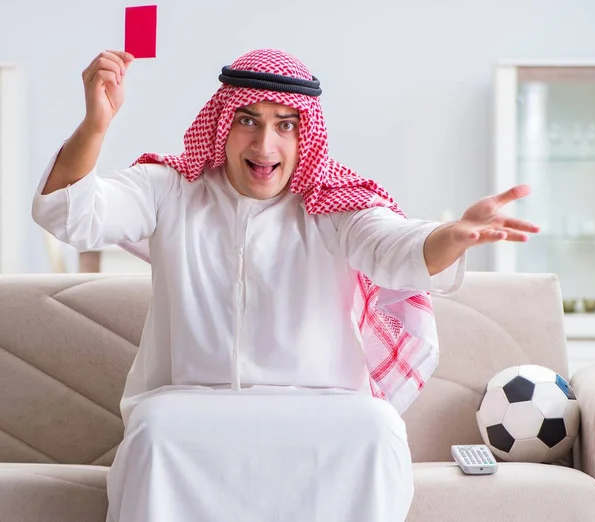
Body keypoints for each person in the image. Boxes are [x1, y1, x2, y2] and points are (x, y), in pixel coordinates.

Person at [32, 48, 538, 522]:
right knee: (153, 432)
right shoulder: (170, 190)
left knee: (377, 428)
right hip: (190, 416)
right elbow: (70, 214)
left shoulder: (337, 207)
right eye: (248, 120)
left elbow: (396, 248)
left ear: (306, 134)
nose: (264, 144)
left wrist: (451, 236)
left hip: (322, 416)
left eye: (285, 125)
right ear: (223, 125)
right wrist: (95, 126)